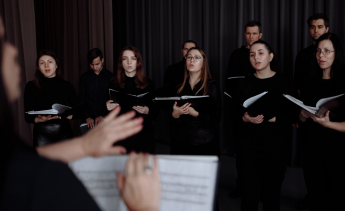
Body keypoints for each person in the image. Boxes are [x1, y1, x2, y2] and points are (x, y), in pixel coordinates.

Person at [0, 16, 160, 211]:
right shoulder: (108, 82)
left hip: (140, 135)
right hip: (108, 136)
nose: (13, 49)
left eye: (133, 58)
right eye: (2, 40)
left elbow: (22, 161)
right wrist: (144, 206)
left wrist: (84, 144)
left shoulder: (145, 82)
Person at [235, 40, 298, 210]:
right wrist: (244, 118)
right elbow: (233, 116)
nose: (256, 57)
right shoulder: (244, 83)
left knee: (271, 197)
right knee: (249, 198)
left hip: (276, 148)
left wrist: (277, 119)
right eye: (252, 54)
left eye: (261, 53)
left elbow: (295, 115)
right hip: (249, 148)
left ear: (270, 57)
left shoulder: (285, 82)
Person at [299, 33, 345, 211]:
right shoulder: (309, 81)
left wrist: (328, 124)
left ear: (337, 53)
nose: (321, 55)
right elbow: (301, 121)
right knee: (317, 198)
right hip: (312, 149)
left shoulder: (343, 83)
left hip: (338, 151)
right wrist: (302, 115)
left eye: (327, 51)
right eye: (318, 51)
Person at [293, 13, 329, 210]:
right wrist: (299, 113)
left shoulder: (335, 52)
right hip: (307, 114)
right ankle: (312, 195)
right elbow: (297, 87)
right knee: (309, 159)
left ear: (327, 29)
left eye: (320, 27)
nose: (316, 30)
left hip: (329, 115)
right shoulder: (303, 55)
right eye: (313, 27)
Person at [225, 20, 263, 199]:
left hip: (261, 110)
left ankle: (260, 186)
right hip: (241, 109)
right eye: (248, 33)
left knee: (260, 152)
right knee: (241, 153)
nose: (251, 37)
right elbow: (229, 83)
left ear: (260, 35)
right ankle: (242, 186)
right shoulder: (236, 54)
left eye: (254, 33)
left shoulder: (265, 53)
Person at [107, 46, 159, 154]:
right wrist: (108, 107)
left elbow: (156, 111)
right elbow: (110, 113)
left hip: (143, 135)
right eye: (125, 59)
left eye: (133, 59)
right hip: (122, 135)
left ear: (138, 62)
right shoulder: (113, 84)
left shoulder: (148, 84)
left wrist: (147, 110)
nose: (129, 62)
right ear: (121, 62)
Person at [170, 47, 221, 155]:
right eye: (189, 57)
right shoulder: (178, 88)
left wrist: (196, 114)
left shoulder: (212, 86)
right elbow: (174, 123)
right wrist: (175, 115)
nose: (192, 60)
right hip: (182, 143)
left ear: (203, 63)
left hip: (205, 142)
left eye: (197, 58)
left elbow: (217, 118)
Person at [23, 50, 78, 146]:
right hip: (41, 135)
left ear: (56, 65)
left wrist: (67, 115)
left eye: (50, 61)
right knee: (42, 161)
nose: (46, 65)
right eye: (42, 63)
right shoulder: (31, 86)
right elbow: (27, 117)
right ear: (39, 68)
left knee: (66, 161)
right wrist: (40, 119)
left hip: (64, 134)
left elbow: (78, 111)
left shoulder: (67, 85)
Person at [78, 48, 114, 129]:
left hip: (105, 120)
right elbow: (81, 99)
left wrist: (103, 115)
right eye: (92, 64)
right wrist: (87, 117)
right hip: (87, 121)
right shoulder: (84, 77)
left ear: (102, 60)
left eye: (97, 64)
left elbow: (113, 100)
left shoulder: (111, 78)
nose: (94, 67)